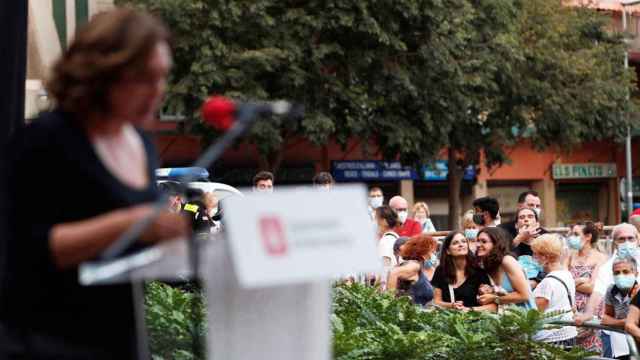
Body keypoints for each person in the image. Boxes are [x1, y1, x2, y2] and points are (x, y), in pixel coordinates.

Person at [1, 8, 190, 359]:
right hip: (46, 343)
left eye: (163, 77)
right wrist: (133, 224)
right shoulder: (45, 141)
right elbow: (26, 249)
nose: (158, 91)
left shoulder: (142, 143)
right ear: (103, 73)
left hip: (119, 340)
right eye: (145, 78)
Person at [576, 223, 639, 358]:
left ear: (637, 240)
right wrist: (587, 313)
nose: (626, 242)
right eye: (621, 239)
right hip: (620, 339)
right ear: (614, 242)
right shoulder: (608, 267)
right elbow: (598, 291)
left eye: (630, 238)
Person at [531, 234, 577, 349]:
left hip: (551, 340)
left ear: (545, 257)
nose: (533, 258)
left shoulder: (547, 282)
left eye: (535, 254)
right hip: (569, 335)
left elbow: (534, 313)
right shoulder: (567, 274)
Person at [568, 221, 607, 353]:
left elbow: (592, 287)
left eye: (575, 234)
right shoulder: (568, 256)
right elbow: (562, 283)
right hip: (570, 312)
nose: (571, 237)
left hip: (591, 312)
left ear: (588, 236)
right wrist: (579, 280)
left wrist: (572, 283)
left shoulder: (601, 257)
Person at [431, 231, 495, 311]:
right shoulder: (441, 270)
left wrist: (470, 310)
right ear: (448, 251)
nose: (461, 245)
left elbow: (493, 306)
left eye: (464, 241)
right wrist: (451, 305)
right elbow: (436, 302)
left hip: (474, 320)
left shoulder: (478, 271)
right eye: (455, 243)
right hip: (448, 320)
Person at [475, 227, 536, 309]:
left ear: (496, 244)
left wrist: (494, 298)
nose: (478, 245)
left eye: (484, 241)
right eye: (478, 241)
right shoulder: (486, 264)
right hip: (503, 317)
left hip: (523, 317)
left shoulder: (507, 260)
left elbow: (524, 295)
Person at [602, 256, 639, 359]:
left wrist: (624, 323)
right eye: (617, 273)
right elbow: (605, 318)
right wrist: (623, 322)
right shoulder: (611, 290)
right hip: (619, 344)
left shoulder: (638, 292)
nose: (621, 275)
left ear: (636, 274)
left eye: (625, 272)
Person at [387, 234, 437, 306]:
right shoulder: (415, 266)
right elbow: (394, 273)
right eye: (431, 251)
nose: (433, 254)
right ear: (423, 251)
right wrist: (390, 302)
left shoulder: (418, 267)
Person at [375, 205, 400, 287]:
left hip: (387, 292)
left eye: (376, 218)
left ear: (384, 221)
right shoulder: (396, 238)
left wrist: (374, 290)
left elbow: (384, 269)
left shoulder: (386, 241)